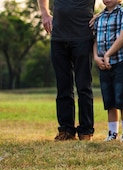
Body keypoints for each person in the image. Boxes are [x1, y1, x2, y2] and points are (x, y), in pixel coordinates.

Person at [38, 0, 95, 141]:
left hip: (83, 36)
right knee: (63, 86)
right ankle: (66, 129)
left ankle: (86, 130)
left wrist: (102, 15)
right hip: (59, 37)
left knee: (84, 86)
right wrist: (45, 14)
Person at [93, 0, 123, 142]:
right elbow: (95, 40)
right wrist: (97, 58)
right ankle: (112, 133)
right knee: (109, 100)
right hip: (103, 64)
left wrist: (108, 54)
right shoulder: (99, 17)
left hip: (119, 61)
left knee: (122, 98)